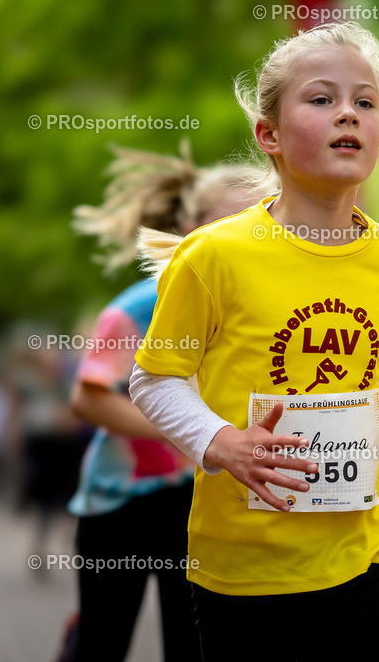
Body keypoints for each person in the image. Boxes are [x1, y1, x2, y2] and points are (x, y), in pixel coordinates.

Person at [129, 21, 379, 662]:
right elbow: (154, 377)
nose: (348, 113)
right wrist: (220, 443)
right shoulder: (215, 255)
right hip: (244, 567)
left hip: (353, 553)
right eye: (321, 99)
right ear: (269, 135)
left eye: (365, 103)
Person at [66, 143, 260, 661]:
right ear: (186, 227)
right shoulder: (141, 304)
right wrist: (192, 431)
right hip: (122, 501)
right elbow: (86, 401)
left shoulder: (254, 310)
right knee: (103, 642)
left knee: (193, 645)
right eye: (227, 223)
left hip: (199, 499)